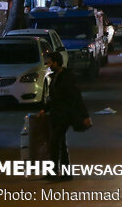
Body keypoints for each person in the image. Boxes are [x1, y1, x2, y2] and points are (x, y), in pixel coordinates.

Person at [38, 52, 91, 180]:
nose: (48, 65)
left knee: (55, 141)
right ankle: (66, 173)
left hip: (65, 114)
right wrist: (44, 110)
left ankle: (54, 171)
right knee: (60, 142)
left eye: (50, 62)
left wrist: (85, 116)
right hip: (56, 114)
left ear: (56, 62)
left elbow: (76, 97)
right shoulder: (55, 77)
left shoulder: (66, 78)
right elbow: (54, 97)